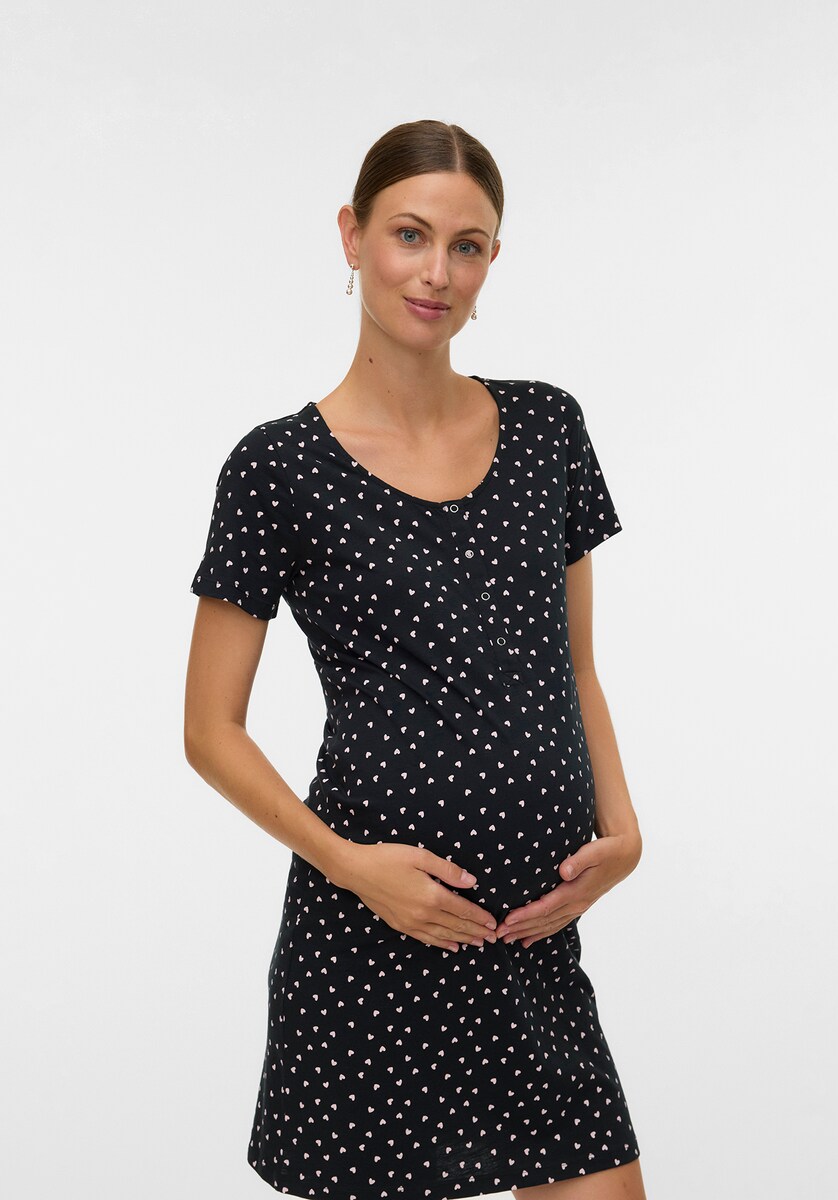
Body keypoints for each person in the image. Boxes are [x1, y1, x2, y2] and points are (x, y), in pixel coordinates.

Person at [184, 119, 647, 1200]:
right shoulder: (276, 468)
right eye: (409, 234)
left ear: (492, 261)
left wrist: (622, 832)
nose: (437, 272)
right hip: (370, 945)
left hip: (530, 941)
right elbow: (209, 730)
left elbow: (574, 668)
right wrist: (352, 867)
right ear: (352, 237)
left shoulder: (547, 428)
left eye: (467, 245)